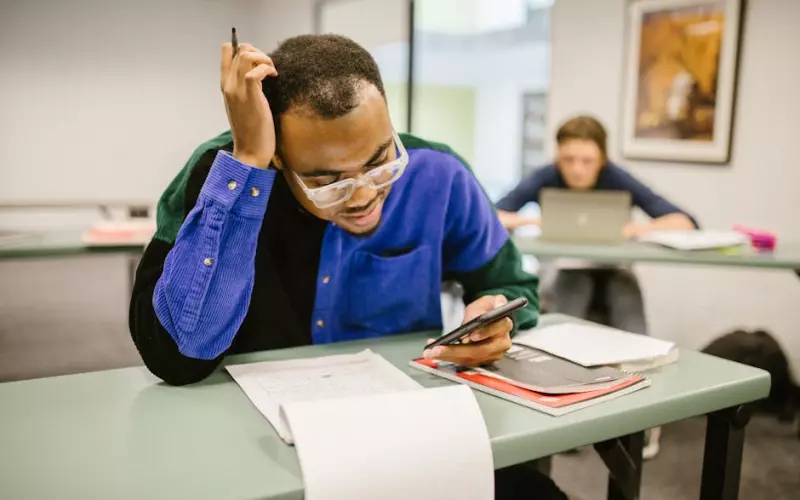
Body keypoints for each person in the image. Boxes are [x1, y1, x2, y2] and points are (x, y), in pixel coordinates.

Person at [129, 34, 565, 499]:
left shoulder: (439, 173)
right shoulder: (221, 176)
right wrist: (250, 163)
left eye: (380, 162)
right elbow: (177, 356)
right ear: (279, 153)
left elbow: (511, 283)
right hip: (261, 453)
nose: (361, 196)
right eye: (325, 181)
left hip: (408, 439)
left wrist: (496, 311)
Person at [496, 115, 697, 459]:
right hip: (569, 274)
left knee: (630, 314)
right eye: (568, 159)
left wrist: (629, 230)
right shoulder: (546, 176)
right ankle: (567, 416)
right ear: (558, 157)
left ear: (602, 159)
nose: (576, 169)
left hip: (614, 272)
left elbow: (685, 222)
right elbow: (492, 215)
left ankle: (645, 423)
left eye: (586, 161)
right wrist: (536, 221)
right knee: (569, 305)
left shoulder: (617, 178)